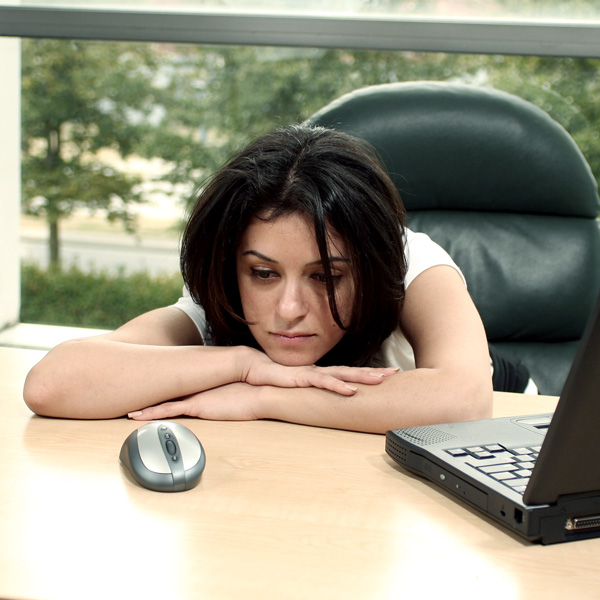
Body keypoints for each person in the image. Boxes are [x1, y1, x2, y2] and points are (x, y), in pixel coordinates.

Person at [23, 125, 493, 433]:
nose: (289, 308)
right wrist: (241, 365)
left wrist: (261, 397)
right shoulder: (223, 292)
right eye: (264, 273)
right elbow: (53, 383)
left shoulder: (410, 261)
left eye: (326, 276)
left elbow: (465, 401)